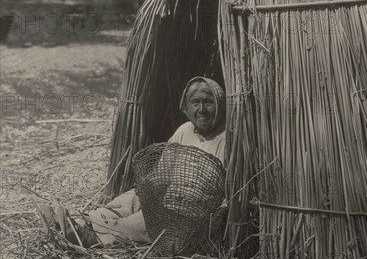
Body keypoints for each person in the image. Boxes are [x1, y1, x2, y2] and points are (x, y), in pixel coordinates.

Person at [36, 77, 226, 248]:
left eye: (209, 102)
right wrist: (148, 192)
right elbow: (163, 171)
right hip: (170, 198)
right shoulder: (185, 130)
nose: (201, 109)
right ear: (186, 106)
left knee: (144, 222)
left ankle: (88, 238)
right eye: (195, 102)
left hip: (192, 215)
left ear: (219, 105)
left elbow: (229, 193)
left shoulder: (227, 138)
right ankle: (80, 223)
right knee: (131, 199)